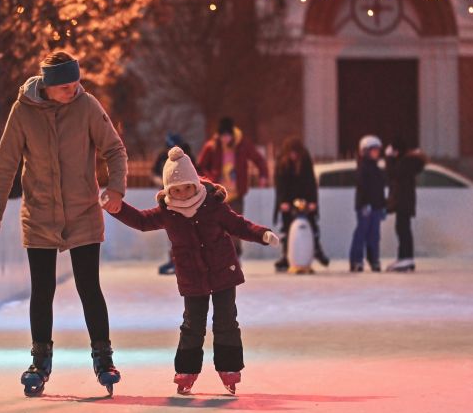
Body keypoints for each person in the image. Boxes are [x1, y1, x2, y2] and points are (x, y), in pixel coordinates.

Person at [0, 51, 127, 396]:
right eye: (65, 86)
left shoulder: (87, 106)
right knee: (42, 289)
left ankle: (104, 358)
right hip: (40, 214)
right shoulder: (23, 111)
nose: (73, 90)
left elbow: (114, 149)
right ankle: (40, 361)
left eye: (76, 83)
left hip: (83, 212)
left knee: (89, 287)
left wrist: (116, 188)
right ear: (48, 86)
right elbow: (5, 164)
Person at [108, 146, 280, 395]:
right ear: (168, 191)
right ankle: (186, 371)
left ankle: (229, 368)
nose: (182, 194)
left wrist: (262, 234)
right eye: (175, 190)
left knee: (226, 320)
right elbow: (142, 221)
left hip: (223, 271)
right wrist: (117, 207)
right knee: (192, 324)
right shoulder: (168, 212)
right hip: (192, 277)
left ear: (195, 184)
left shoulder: (213, 205)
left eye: (186, 187)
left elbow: (238, 225)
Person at [197, 117, 269, 255]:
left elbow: (259, 159)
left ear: (232, 134)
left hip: (236, 193)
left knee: (235, 225)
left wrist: (263, 175)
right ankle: (218, 254)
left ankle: (235, 254)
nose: (225, 139)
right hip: (217, 194)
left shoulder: (242, 145)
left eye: (227, 136)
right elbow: (200, 167)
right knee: (217, 225)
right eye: (222, 136)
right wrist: (209, 180)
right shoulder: (212, 146)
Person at [273, 137, 330, 271]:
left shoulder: (305, 161)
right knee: (287, 227)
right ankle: (286, 255)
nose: (293, 156)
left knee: (311, 224)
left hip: (304, 197)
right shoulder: (282, 163)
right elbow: (280, 185)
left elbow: (310, 183)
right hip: (288, 197)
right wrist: (283, 202)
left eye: (295, 153)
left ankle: (316, 249)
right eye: (291, 153)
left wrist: (312, 202)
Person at [152, 132, 196, 274]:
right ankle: (175, 259)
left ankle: (189, 259)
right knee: (172, 230)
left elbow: (196, 175)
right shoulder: (162, 156)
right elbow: (154, 173)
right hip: (169, 199)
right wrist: (161, 181)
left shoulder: (187, 157)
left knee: (188, 229)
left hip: (187, 200)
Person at [385, 137, 427, 272]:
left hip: (403, 201)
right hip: (405, 201)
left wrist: (389, 158)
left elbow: (392, 173)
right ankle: (404, 257)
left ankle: (405, 257)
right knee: (402, 229)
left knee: (403, 229)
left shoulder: (405, 162)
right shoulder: (408, 162)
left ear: (397, 151)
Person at [349, 135, 386, 272]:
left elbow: (380, 189)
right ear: (365, 151)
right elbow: (362, 188)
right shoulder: (363, 168)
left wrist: (383, 205)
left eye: (377, 150)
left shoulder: (377, 169)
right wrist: (365, 204)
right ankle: (356, 260)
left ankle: (374, 259)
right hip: (365, 207)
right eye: (373, 150)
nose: (376, 153)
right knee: (362, 233)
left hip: (376, 207)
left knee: (374, 235)